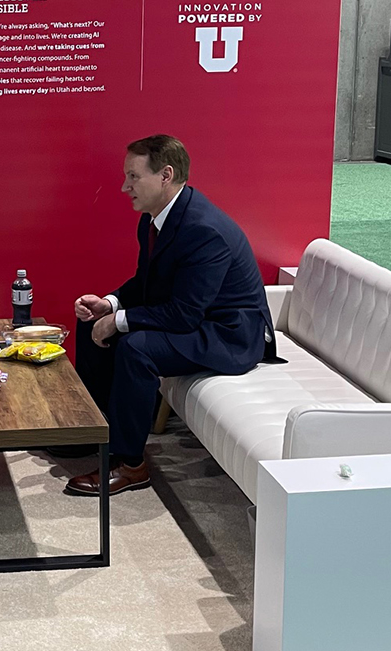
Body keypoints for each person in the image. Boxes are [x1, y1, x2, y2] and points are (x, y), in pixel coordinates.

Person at [66, 134, 277, 498]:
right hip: (197, 319)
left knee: (137, 348)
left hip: (229, 335)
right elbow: (147, 283)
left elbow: (183, 315)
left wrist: (119, 321)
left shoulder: (204, 230)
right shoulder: (153, 219)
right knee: (90, 325)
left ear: (165, 175)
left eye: (133, 176)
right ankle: (97, 432)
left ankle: (130, 464)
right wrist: (110, 304)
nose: (124, 186)